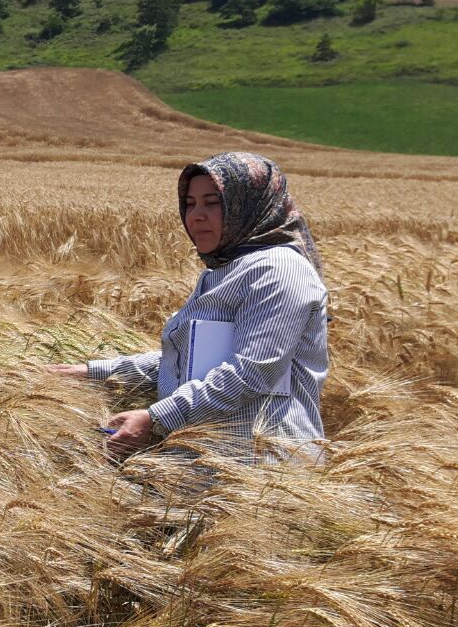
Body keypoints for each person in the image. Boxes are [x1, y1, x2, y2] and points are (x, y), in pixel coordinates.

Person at [51, 152, 328, 461]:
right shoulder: (222, 272)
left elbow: (252, 371)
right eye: (190, 204)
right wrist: (91, 372)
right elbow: (185, 361)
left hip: (263, 469)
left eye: (212, 202)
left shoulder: (278, 270)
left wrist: (157, 419)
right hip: (210, 463)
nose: (196, 216)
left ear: (247, 206)